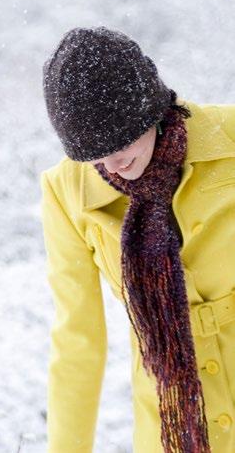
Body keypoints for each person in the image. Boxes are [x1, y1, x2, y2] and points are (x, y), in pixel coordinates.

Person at [40, 26, 235, 453]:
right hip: (173, 426)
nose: (113, 162)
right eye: (92, 153)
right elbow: (77, 340)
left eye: (119, 139)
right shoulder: (67, 192)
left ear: (148, 108)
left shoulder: (231, 139)